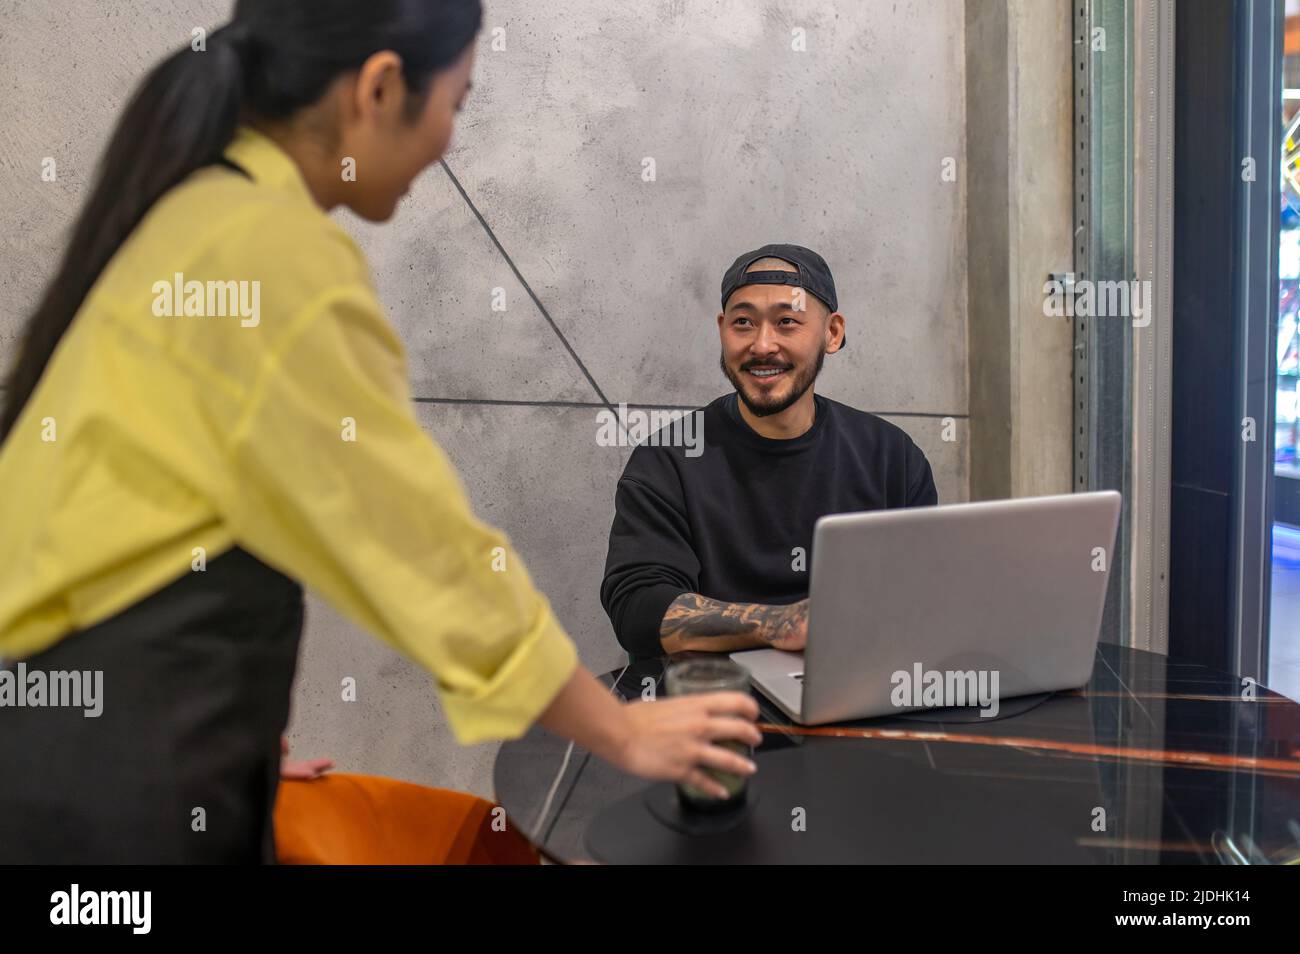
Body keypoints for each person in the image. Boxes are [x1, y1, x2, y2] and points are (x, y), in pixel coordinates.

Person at [0, 0, 759, 864]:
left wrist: (219, 744)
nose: (448, 141)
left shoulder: (192, 219)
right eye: (458, 103)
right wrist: (621, 734)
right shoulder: (272, 256)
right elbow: (430, 553)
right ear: (381, 86)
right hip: (97, 804)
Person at [600, 245, 939, 662]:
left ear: (832, 333)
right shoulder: (667, 458)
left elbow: (922, 600)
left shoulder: (891, 456)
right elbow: (639, 610)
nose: (763, 345)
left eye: (787, 322)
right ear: (722, 329)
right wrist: (782, 624)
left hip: (853, 687)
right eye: (743, 322)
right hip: (710, 700)